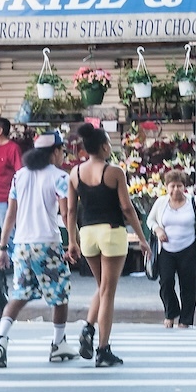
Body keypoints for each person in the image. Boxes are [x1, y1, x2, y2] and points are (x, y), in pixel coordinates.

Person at [0, 134, 82, 367]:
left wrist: (2, 246)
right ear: (54, 152)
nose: (62, 155)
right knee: (60, 294)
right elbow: (66, 213)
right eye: (62, 151)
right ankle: (58, 344)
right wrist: (72, 242)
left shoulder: (19, 176)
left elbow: (10, 215)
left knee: (20, 294)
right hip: (47, 243)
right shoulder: (60, 177)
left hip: (21, 245)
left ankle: (0, 339)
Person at [69, 123, 148, 367]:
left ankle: (88, 329)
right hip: (112, 232)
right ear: (104, 147)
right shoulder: (114, 172)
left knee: (101, 286)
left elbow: (71, 210)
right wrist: (142, 238)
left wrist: (72, 241)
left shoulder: (75, 173)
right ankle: (103, 349)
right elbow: (126, 207)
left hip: (87, 233)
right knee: (108, 293)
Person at [144, 170, 196, 328]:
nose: (176, 190)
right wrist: (158, 229)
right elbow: (150, 220)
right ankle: (171, 312)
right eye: (172, 186)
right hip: (166, 251)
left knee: (188, 286)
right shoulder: (161, 203)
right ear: (166, 187)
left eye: (179, 186)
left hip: (188, 249)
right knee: (166, 283)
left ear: (185, 187)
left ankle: (186, 320)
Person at [0, 117, 21, 245]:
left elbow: (20, 173)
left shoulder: (13, 148)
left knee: (8, 233)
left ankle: (13, 261)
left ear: (0, 131)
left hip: (5, 198)